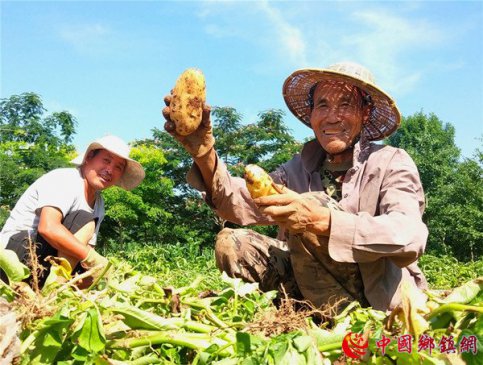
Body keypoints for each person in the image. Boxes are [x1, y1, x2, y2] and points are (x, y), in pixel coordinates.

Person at [163, 62, 428, 312]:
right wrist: (203, 152)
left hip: (373, 299)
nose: (332, 117)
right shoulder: (300, 166)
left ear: (365, 113)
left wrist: (321, 220)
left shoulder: (391, 162)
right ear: (312, 115)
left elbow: (409, 235)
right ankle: (299, 313)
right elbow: (239, 202)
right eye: (322, 105)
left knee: (313, 204)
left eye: (345, 104)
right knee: (232, 243)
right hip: (308, 291)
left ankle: (343, 324)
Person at [0, 135, 145, 286]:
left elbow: (86, 249)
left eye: (118, 167)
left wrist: (99, 270)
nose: (110, 170)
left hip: (45, 264)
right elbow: (48, 227)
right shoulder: (66, 179)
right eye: (106, 160)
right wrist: (93, 258)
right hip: (15, 255)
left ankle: (51, 291)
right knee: (84, 219)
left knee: (92, 277)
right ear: (89, 157)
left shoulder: (99, 203)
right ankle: (54, 287)